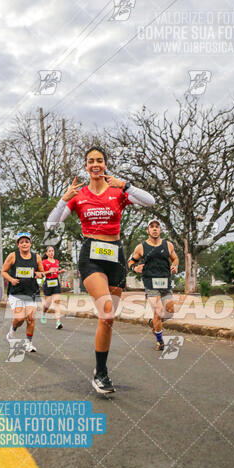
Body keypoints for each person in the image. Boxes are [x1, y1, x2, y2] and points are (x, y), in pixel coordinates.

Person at [46, 145, 155, 394]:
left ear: (105, 164)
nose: (95, 164)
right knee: (106, 310)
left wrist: (126, 185)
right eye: (91, 161)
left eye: (100, 160)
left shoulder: (118, 192)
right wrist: (64, 199)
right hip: (91, 256)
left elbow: (151, 201)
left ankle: (99, 369)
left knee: (108, 320)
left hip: (115, 255)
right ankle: (102, 374)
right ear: (86, 166)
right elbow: (52, 224)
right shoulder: (79, 194)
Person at [128, 219, 178, 351]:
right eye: (152, 227)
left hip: (166, 282)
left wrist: (175, 265)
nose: (155, 229)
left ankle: (153, 323)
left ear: (160, 230)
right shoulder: (141, 247)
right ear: (147, 230)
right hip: (151, 283)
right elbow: (131, 262)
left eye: (157, 227)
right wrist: (135, 268)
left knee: (170, 313)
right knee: (159, 312)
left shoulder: (168, 245)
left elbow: (175, 258)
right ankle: (159, 340)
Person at [1, 232, 44, 353]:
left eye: (26, 241)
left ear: (30, 244)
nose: (24, 244)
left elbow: (42, 273)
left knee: (30, 318)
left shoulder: (37, 257)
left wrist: (40, 275)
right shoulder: (13, 256)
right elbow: (3, 271)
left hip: (31, 292)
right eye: (21, 242)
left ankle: (28, 343)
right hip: (17, 292)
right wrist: (11, 280)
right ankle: (12, 331)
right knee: (19, 318)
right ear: (18, 245)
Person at [41, 246, 66, 327]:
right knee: (48, 304)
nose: (51, 252)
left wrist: (60, 271)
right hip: (48, 283)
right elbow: (41, 273)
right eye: (49, 251)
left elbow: (55, 272)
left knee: (57, 302)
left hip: (56, 283)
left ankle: (58, 322)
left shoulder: (57, 261)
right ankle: (44, 313)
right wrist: (49, 271)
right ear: (47, 253)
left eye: (52, 251)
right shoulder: (44, 262)